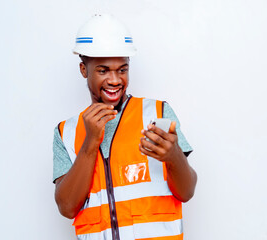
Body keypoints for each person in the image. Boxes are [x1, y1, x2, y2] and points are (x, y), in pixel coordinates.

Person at [53, 13, 197, 240]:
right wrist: (90, 143)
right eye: (103, 70)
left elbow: (187, 191)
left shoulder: (156, 114)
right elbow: (67, 207)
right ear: (84, 70)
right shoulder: (66, 132)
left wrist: (173, 156)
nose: (115, 80)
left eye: (122, 69)